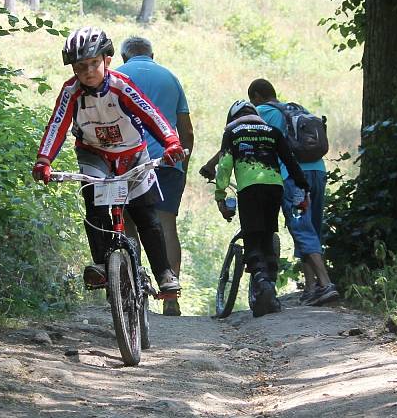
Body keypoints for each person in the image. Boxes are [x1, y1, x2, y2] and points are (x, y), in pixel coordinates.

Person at [32, 26, 186, 295]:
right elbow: (56, 125)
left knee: (145, 214)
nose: (88, 71)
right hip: (94, 153)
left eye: (94, 63)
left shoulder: (121, 86)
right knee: (96, 209)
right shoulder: (71, 92)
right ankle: (103, 265)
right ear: (73, 69)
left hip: (132, 153)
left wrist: (171, 143)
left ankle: (164, 274)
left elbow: (151, 114)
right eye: (80, 67)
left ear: (107, 61)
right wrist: (44, 160)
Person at [116, 36, 194, 316]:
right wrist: (181, 166)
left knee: (128, 225)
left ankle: (132, 292)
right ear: (152, 54)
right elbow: (187, 132)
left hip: (127, 163)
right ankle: (171, 297)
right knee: (166, 226)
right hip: (167, 161)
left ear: (124, 56)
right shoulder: (170, 78)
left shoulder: (115, 76)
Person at [248, 78, 339, 306]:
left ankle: (325, 284)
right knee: (311, 229)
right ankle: (310, 288)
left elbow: (241, 139)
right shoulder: (297, 109)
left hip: (294, 177)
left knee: (300, 228)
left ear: (257, 96)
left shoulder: (262, 112)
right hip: (318, 172)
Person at [214, 100, 310, 317]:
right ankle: (270, 291)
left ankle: (259, 276)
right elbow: (290, 161)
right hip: (274, 187)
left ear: (233, 117)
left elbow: (225, 164)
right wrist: (303, 187)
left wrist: (220, 195)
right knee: (267, 233)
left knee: (252, 234)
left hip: (249, 188)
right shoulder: (272, 131)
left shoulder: (232, 131)